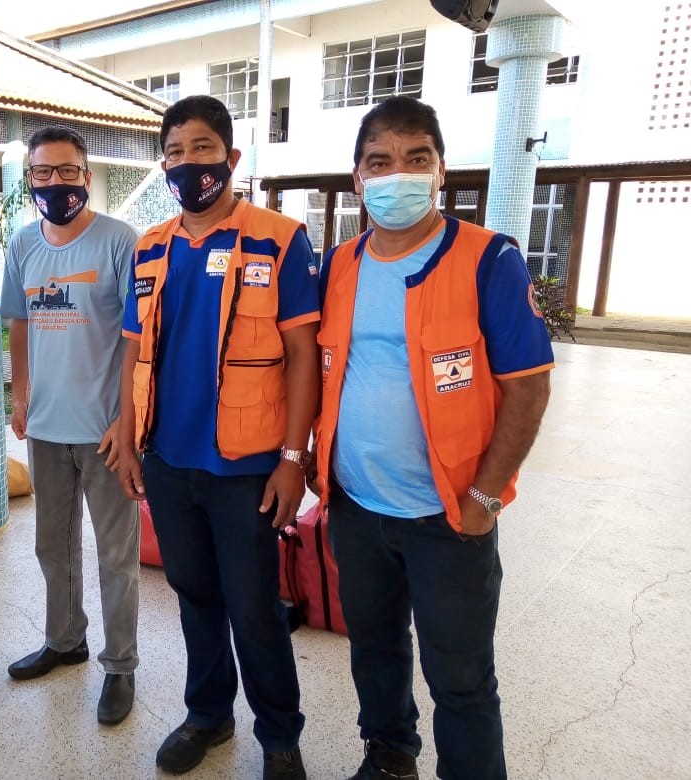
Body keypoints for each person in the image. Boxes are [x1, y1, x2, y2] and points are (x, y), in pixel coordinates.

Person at [312, 96, 554, 780]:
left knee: (462, 677)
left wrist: (485, 496)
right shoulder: (340, 266)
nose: (399, 176)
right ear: (358, 178)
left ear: (441, 171)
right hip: (357, 508)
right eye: (380, 162)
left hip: (451, 515)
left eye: (416, 159)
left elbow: (529, 387)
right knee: (376, 652)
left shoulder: (487, 260)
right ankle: (389, 755)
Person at [117, 95, 319, 779]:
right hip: (169, 462)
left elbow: (301, 355)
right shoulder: (150, 247)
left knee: (255, 607)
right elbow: (131, 351)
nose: (186, 163)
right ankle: (208, 714)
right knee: (195, 594)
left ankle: (280, 734)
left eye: (201, 148)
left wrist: (293, 459)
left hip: (248, 467)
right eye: (173, 152)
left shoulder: (281, 239)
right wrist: (124, 433)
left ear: (231, 158)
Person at [0, 126, 140, 726]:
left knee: (115, 555)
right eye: (42, 173)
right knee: (51, 546)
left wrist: (128, 418)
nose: (55, 183)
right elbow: (22, 323)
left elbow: (138, 337)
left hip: (105, 429)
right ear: (29, 180)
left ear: (86, 175)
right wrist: (21, 392)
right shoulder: (23, 244)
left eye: (66, 171)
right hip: (48, 429)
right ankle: (65, 641)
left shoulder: (119, 241)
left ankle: (120, 666)